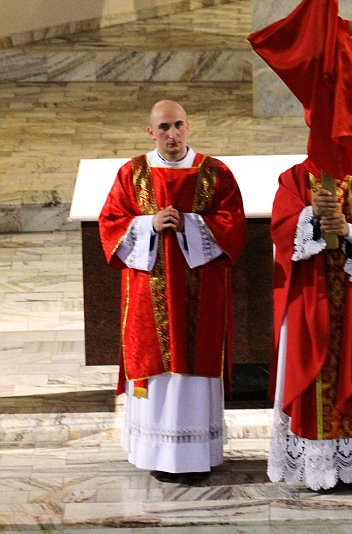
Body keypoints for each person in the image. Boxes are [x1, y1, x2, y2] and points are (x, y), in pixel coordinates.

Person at [99, 100, 246, 485]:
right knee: (156, 368)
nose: (172, 134)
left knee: (195, 366)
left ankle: (197, 454)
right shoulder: (132, 173)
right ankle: (155, 452)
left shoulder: (215, 173)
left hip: (202, 292)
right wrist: (149, 224)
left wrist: (189, 224)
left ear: (189, 126)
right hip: (150, 293)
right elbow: (111, 224)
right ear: (151, 131)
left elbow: (233, 224)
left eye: (178, 125)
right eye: (163, 127)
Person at [267, 158, 352, 492]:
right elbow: (282, 230)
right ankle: (319, 469)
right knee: (312, 371)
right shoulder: (295, 179)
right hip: (311, 297)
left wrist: (349, 231)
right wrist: (310, 215)